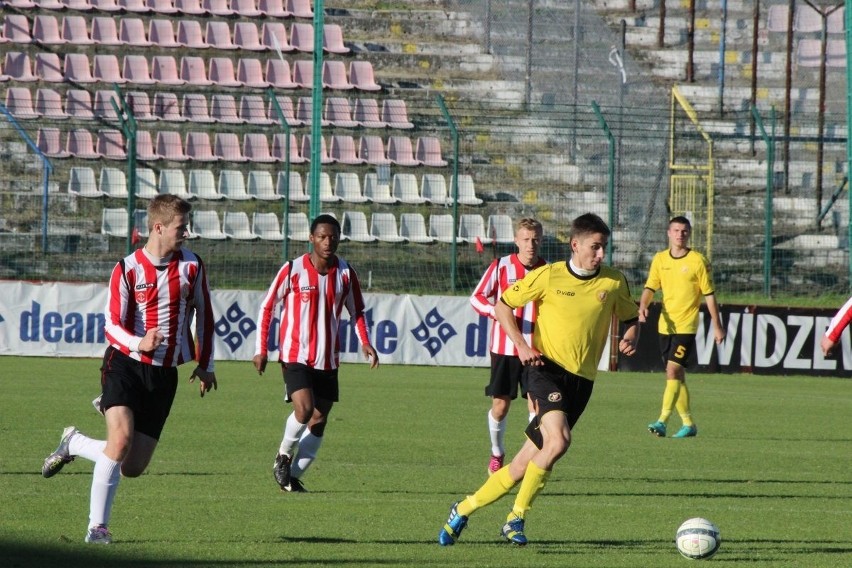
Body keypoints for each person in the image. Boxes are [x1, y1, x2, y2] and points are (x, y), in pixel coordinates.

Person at [438, 212, 640, 547]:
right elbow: (503, 305)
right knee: (558, 442)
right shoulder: (548, 276)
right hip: (544, 370)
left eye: (604, 248)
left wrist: (631, 335)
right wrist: (520, 345)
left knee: (521, 464)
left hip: (582, 382)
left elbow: (632, 317)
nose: (601, 254)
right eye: (595, 247)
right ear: (575, 245)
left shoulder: (613, 282)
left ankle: (462, 508)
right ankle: (515, 518)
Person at [41, 194, 218, 544]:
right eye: (181, 227)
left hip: (164, 375)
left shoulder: (192, 266)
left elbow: (206, 316)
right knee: (119, 442)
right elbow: (111, 326)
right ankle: (97, 528)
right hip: (124, 364)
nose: (186, 233)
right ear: (159, 227)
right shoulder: (128, 269)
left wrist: (206, 364)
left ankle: (73, 442)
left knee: (132, 466)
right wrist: (140, 343)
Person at [254, 213, 379, 493]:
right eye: (322, 236)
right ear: (311, 238)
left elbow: (356, 310)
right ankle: (283, 455)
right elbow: (266, 307)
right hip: (295, 355)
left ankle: (292, 477)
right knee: (305, 408)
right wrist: (260, 349)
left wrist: (365, 341)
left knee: (319, 419)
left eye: (333, 237)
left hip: (329, 358)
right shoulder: (292, 269)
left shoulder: (346, 273)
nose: (328, 241)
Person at [470, 218, 546, 476]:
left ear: (541, 240)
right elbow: (477, 298)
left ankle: (530, 459)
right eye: (525, 239)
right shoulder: (501, 266)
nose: (531, 244)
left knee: (537, 407)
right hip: (504, 349)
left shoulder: (549, 270)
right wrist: (498, 313)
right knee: (500, 406)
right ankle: (496, 452)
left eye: (535, 239)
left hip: (537, 349)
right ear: (516, 241)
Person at [638, 216, 725, 439]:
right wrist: (643, 306)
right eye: (676, 230)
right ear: (669, 233)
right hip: (665, 325)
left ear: (689, 234)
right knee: (677, 375)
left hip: (686, 325)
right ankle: (688, 424)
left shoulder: (698, 261)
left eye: (684, 231)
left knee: (672, 370)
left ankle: (662, 421)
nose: (680, 234)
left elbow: (710, 296)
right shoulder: (659, 259)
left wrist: (718, 326)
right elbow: (650, 287)